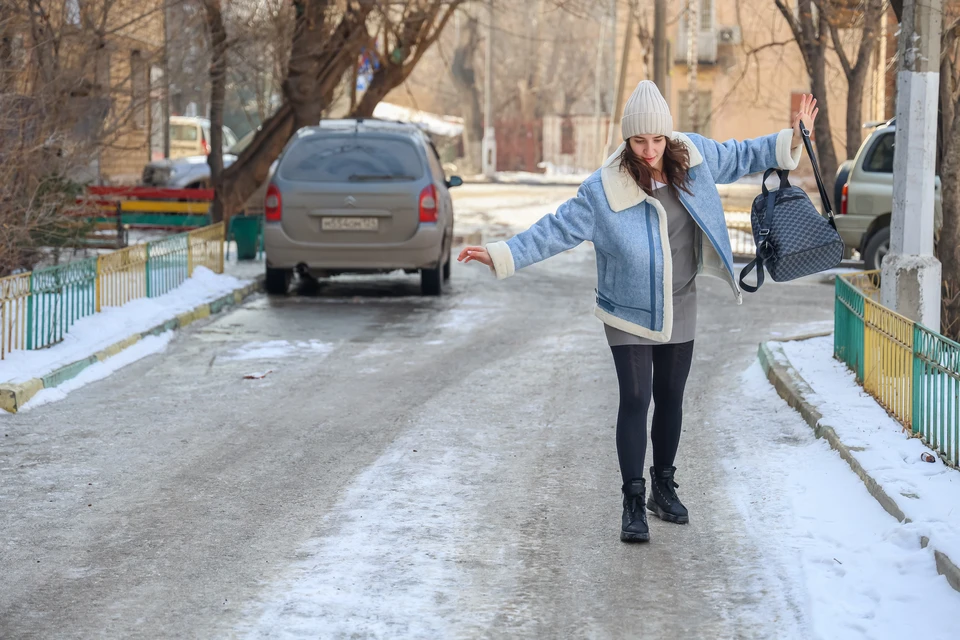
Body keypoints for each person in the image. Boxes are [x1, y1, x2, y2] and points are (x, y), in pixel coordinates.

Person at [458, 81, 819, 543]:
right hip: (628, 308)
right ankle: (633, 500)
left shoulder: (695, 157)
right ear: (626, 140)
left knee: (671, 397)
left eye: (657, 139)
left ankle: (663, 488)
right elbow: (555, 230)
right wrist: (501, 252)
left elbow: (744, 154)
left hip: (681, 299)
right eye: (639, 141)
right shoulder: (603, 189)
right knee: (635, 399)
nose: (649, 151)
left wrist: (793, 139)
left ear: (669, 136)